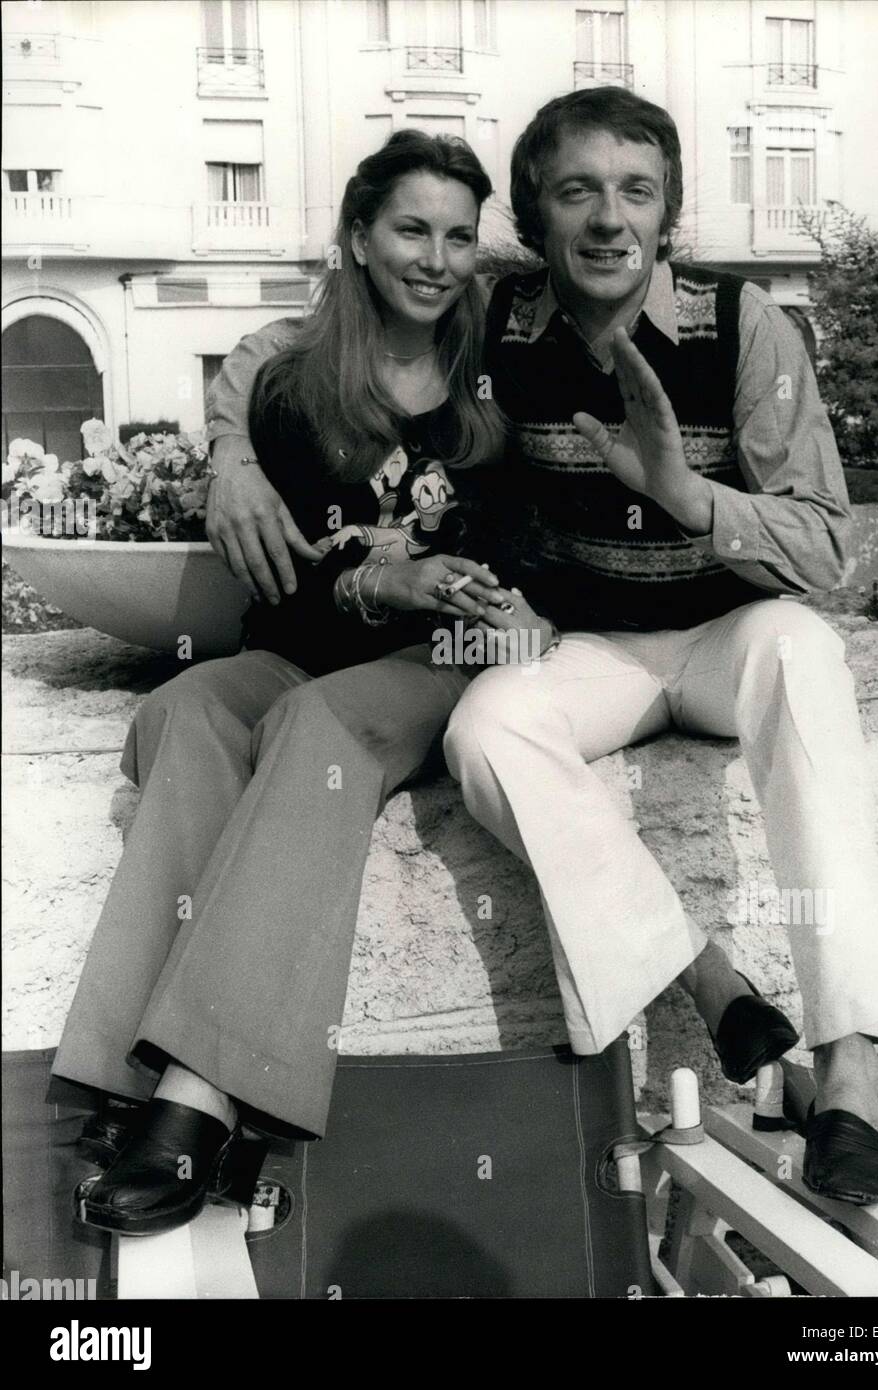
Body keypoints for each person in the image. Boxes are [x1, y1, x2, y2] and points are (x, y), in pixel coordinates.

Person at [204, 89, 878, 1206]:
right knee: (488, 725)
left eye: (636, 190)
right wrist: (230, 455)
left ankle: (851, 1067)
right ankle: (710, 981)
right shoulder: (501, 318)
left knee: (805, 655)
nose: (608, 219)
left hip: (729, 632)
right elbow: (285, 343)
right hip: (594, 649)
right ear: (536, 213)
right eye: (576, 190)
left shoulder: (747, 324)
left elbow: (826, 547)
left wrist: (684, 493)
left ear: (669, 209)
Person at [51, 130, 527, 1239]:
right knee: (183, 709)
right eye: (412, 228)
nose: (438, 258)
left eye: (460, 235)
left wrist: (424, 591)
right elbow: (299, 589)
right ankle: (121, 1071)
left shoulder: (502, 368)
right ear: (358, 235)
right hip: (311, 641)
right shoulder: (291, 382)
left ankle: (205, 1094)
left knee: (317, 724)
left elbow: (524, 553)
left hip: (438, 660)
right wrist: (346, 561)